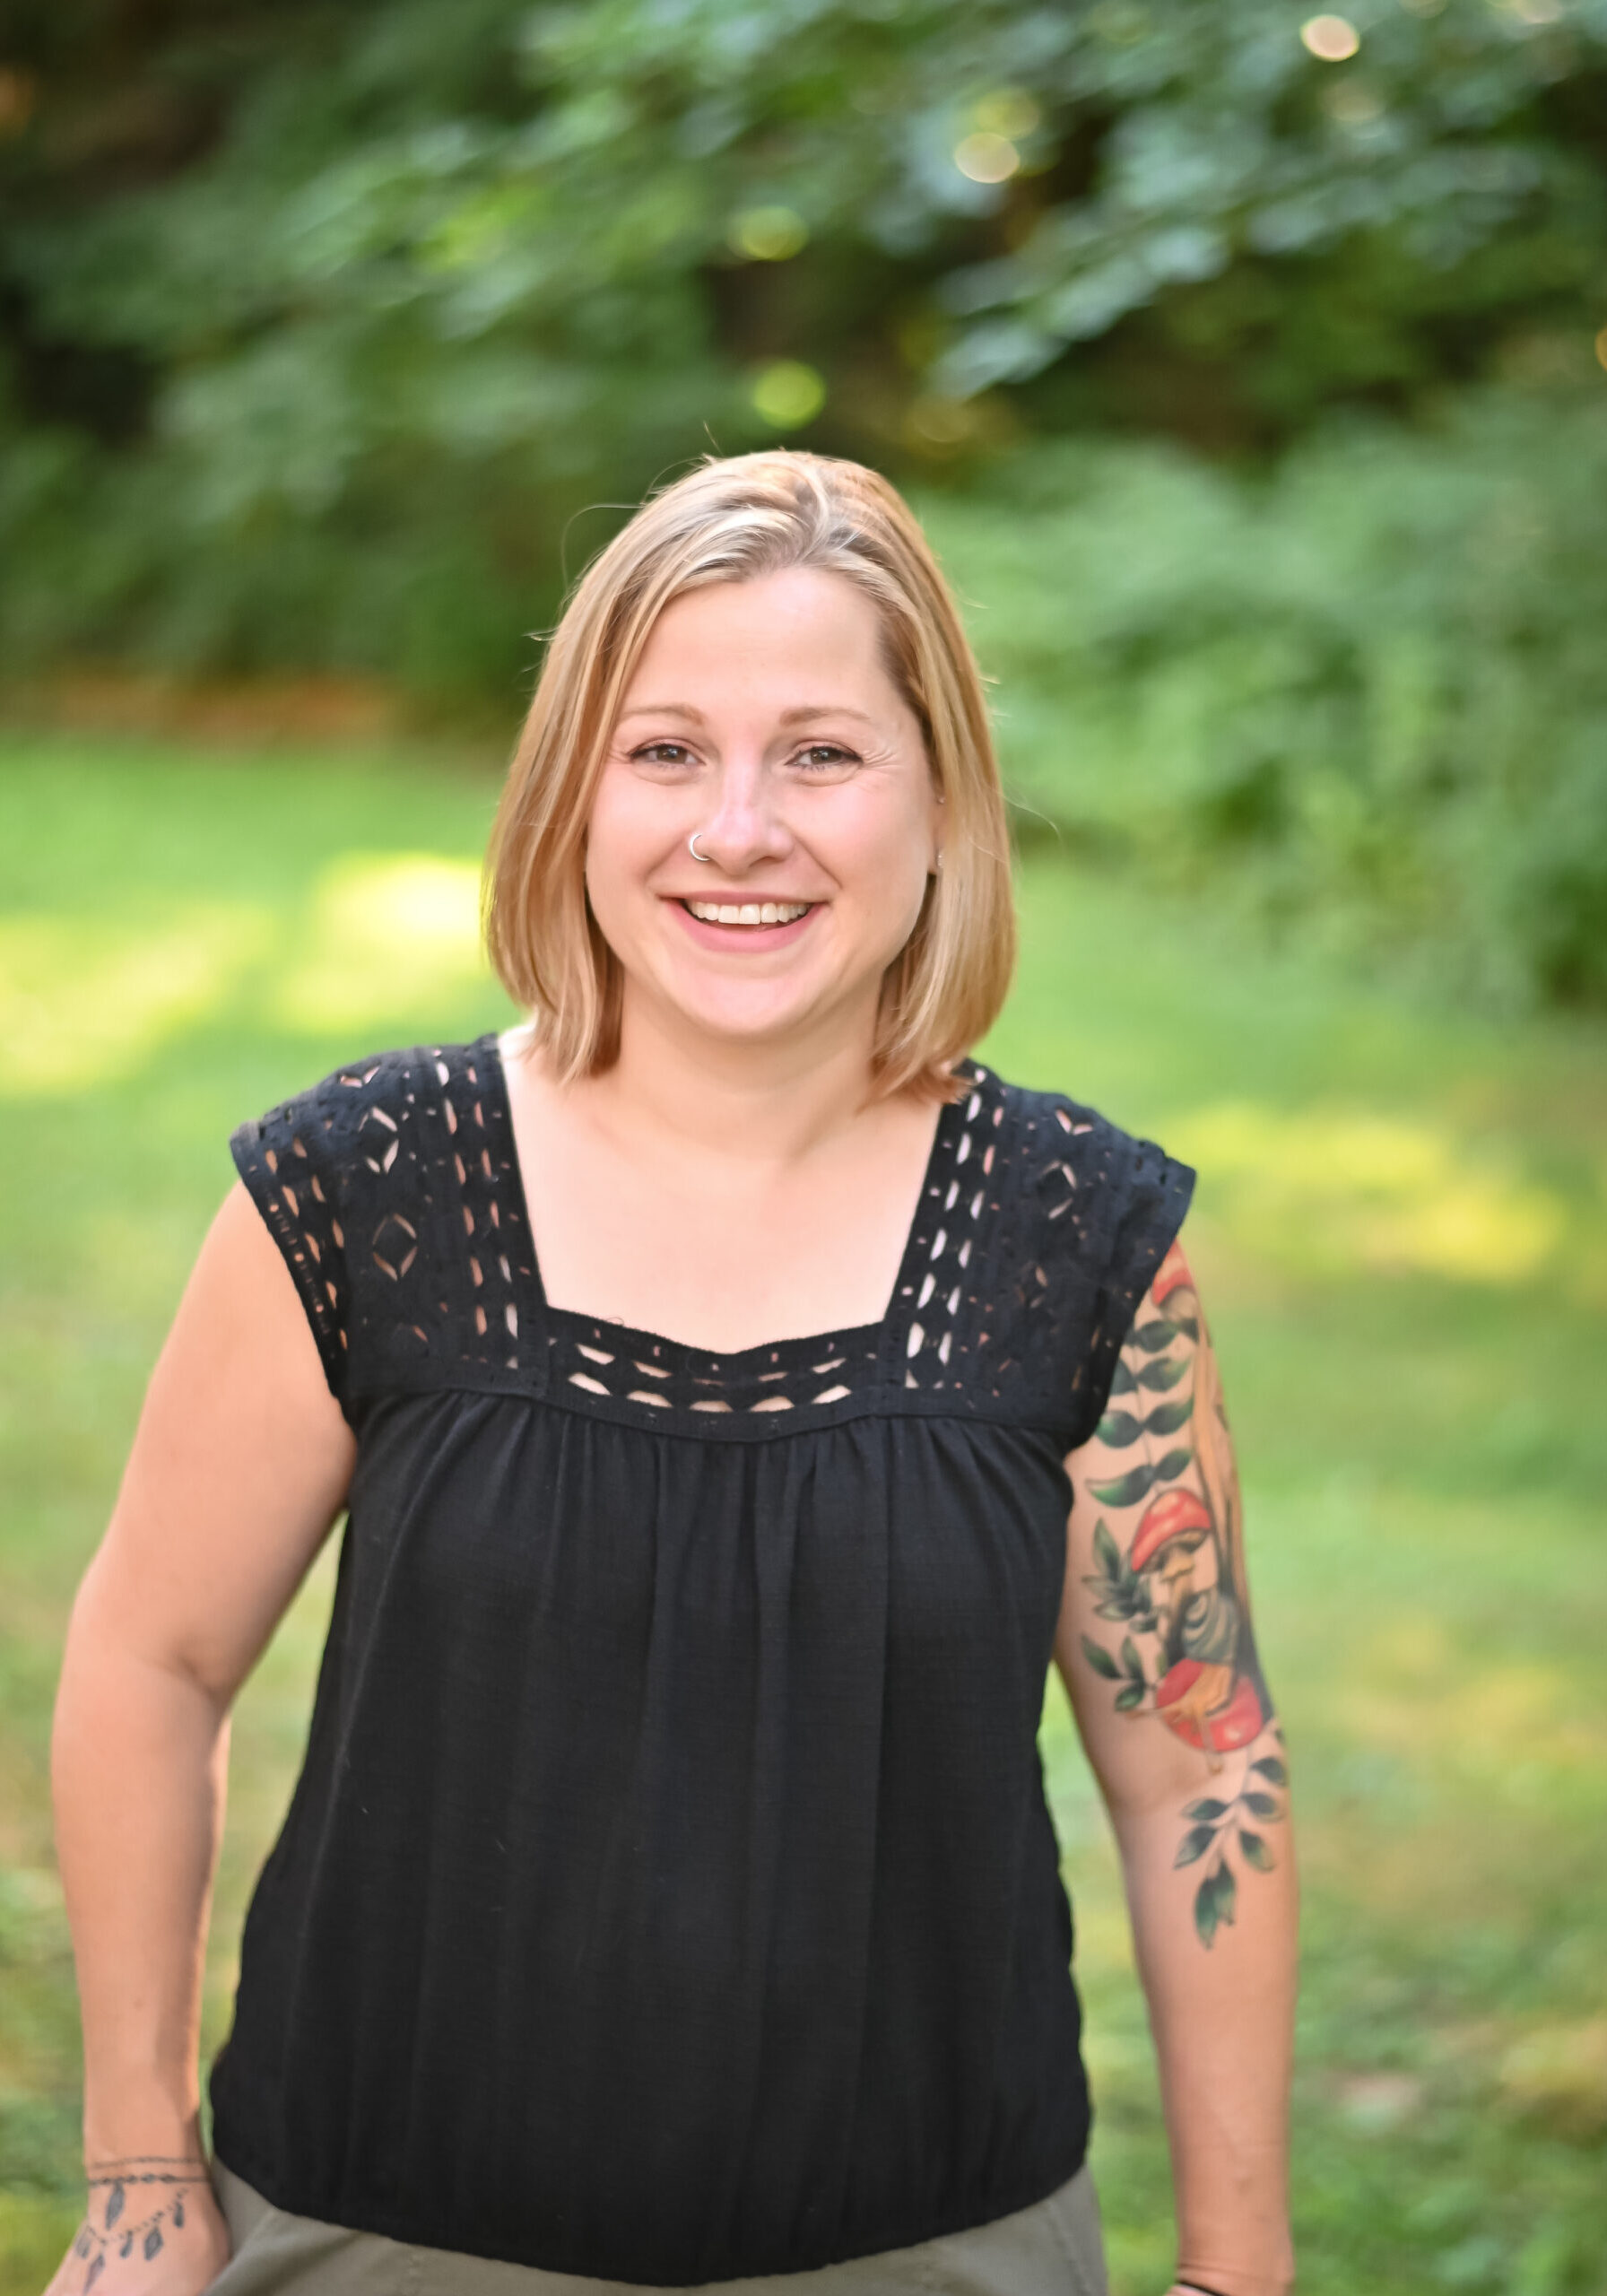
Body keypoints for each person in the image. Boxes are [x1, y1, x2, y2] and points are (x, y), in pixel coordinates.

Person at [45, 451, 1298, 2296]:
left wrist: (1236, 2269)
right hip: (382, 2232)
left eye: (818, 752)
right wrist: (143, 2170)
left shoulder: (1078, 1239)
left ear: (937, 799)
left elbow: (1201, 1763)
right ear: (570, 796)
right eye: (664, 751)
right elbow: (147, 1661)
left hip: (934, 2248)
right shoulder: (367, 1188)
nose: (737, 828)